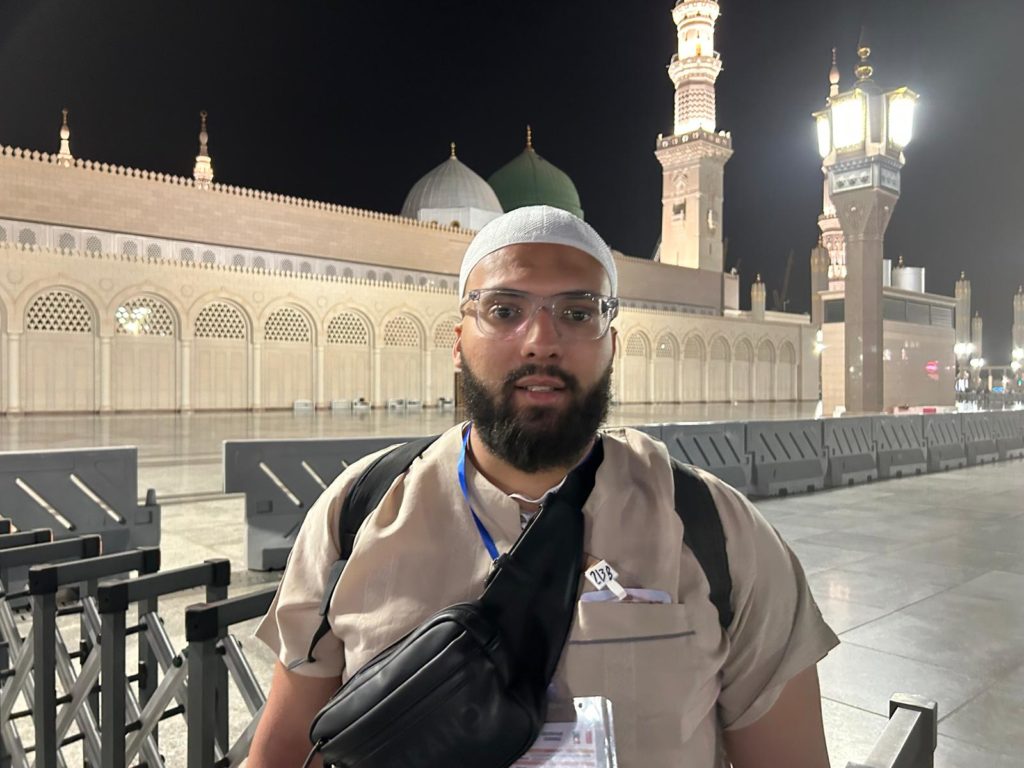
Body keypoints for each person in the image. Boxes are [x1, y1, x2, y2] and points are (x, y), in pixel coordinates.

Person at [248, 205, 839, 768]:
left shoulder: (714, 530)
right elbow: (280, 755)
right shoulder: (361, 512)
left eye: (577, 313)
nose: (540, 340)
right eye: (505, 310)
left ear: (612, 344)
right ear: (458, 344)